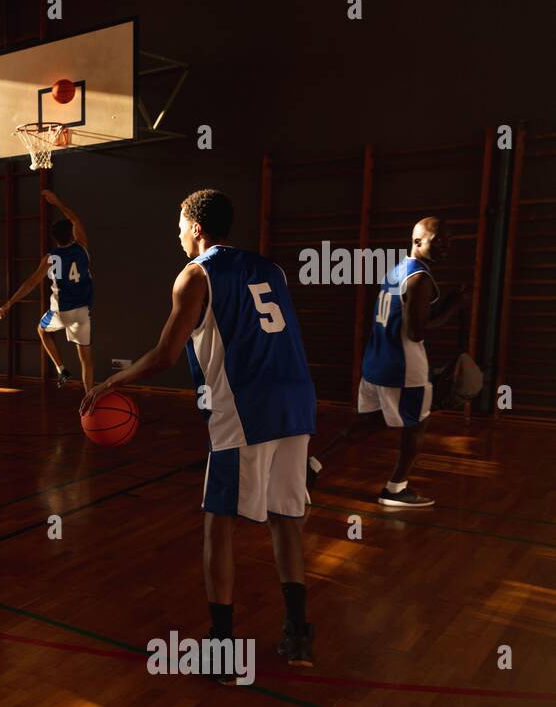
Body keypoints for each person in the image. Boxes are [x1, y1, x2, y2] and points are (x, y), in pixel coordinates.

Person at [81, 190, 318, 674]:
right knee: (285, 518)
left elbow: (166, 354)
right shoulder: (270, 270)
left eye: (179, 225)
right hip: (296, 401)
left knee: (218, 524)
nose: (178, 234)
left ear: (196, 228)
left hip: (245, 408)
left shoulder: (195, 274)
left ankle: (223, 648)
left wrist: (111, 380)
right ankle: (298, 636)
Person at [308, 218, 462, 507]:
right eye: (438, 240)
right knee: (417, 424)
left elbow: (404, 314)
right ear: (418, 242)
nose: (445, 246)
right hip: (403, 368)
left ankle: (313, 464)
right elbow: (417, 331)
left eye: (449, 242)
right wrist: (452, 308)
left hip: (376, 363)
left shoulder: (397, 271)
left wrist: (443, 305)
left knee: (370, 423)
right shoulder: (420, 278)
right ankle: (396, 489)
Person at [0, 190, 94, 389]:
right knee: (86, 359)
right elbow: (74, 218)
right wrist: (58, 202)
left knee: (41, 330)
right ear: (73, 234)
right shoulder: (82, 247)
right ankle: (89, 399)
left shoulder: (51, 258)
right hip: (83, 312)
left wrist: (8, 304)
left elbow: (31, 283)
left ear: (55, 239)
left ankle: (62, 370)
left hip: (63, 312)